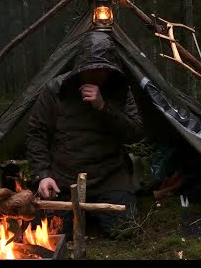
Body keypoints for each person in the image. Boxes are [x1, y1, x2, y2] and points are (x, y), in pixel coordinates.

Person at [26, 30, 144, 239]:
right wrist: (43, 175)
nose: (96, 75)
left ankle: (98, 212)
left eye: (102, 70)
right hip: (65, 178)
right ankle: (82, 212)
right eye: (90, 69)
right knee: (55, 233)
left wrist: (104, 107)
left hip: (110, 176)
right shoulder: (55, 89)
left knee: (125, 231)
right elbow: (37, 132)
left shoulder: (120, 89)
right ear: (79, 67)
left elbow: (134, 132)